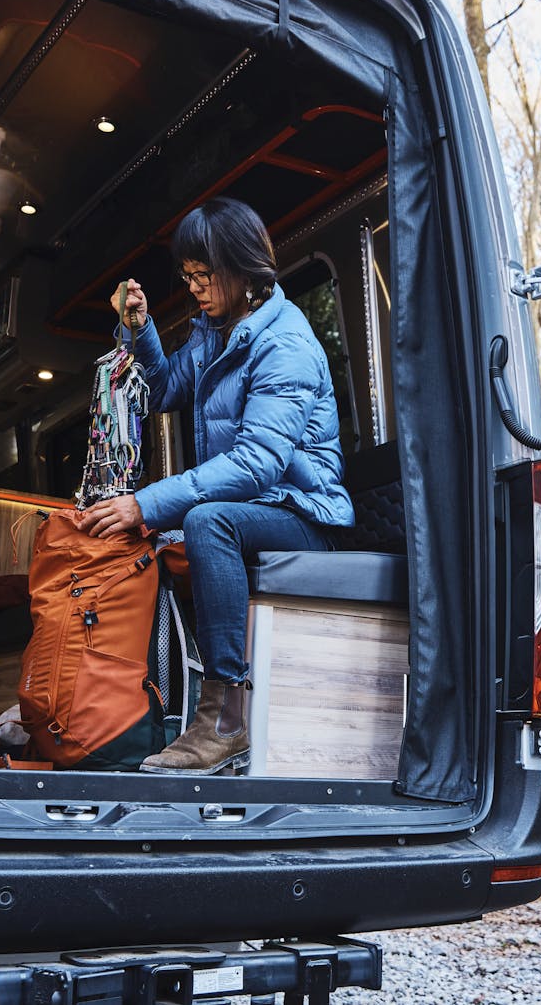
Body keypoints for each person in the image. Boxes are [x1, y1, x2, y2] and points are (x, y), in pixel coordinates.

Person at [76, 197, 353, 775]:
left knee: (206, 520)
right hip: (256, 505)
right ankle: (129, 710)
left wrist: (147, 504)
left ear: (245, 268)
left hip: (304, 512)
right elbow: (162, 390)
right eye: (188, 276)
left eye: (205, 276)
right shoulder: (214, 331)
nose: (196, 288)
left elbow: (257, 465)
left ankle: (226, 718)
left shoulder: (286, 346)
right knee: (171, 529)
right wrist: (139, 329)